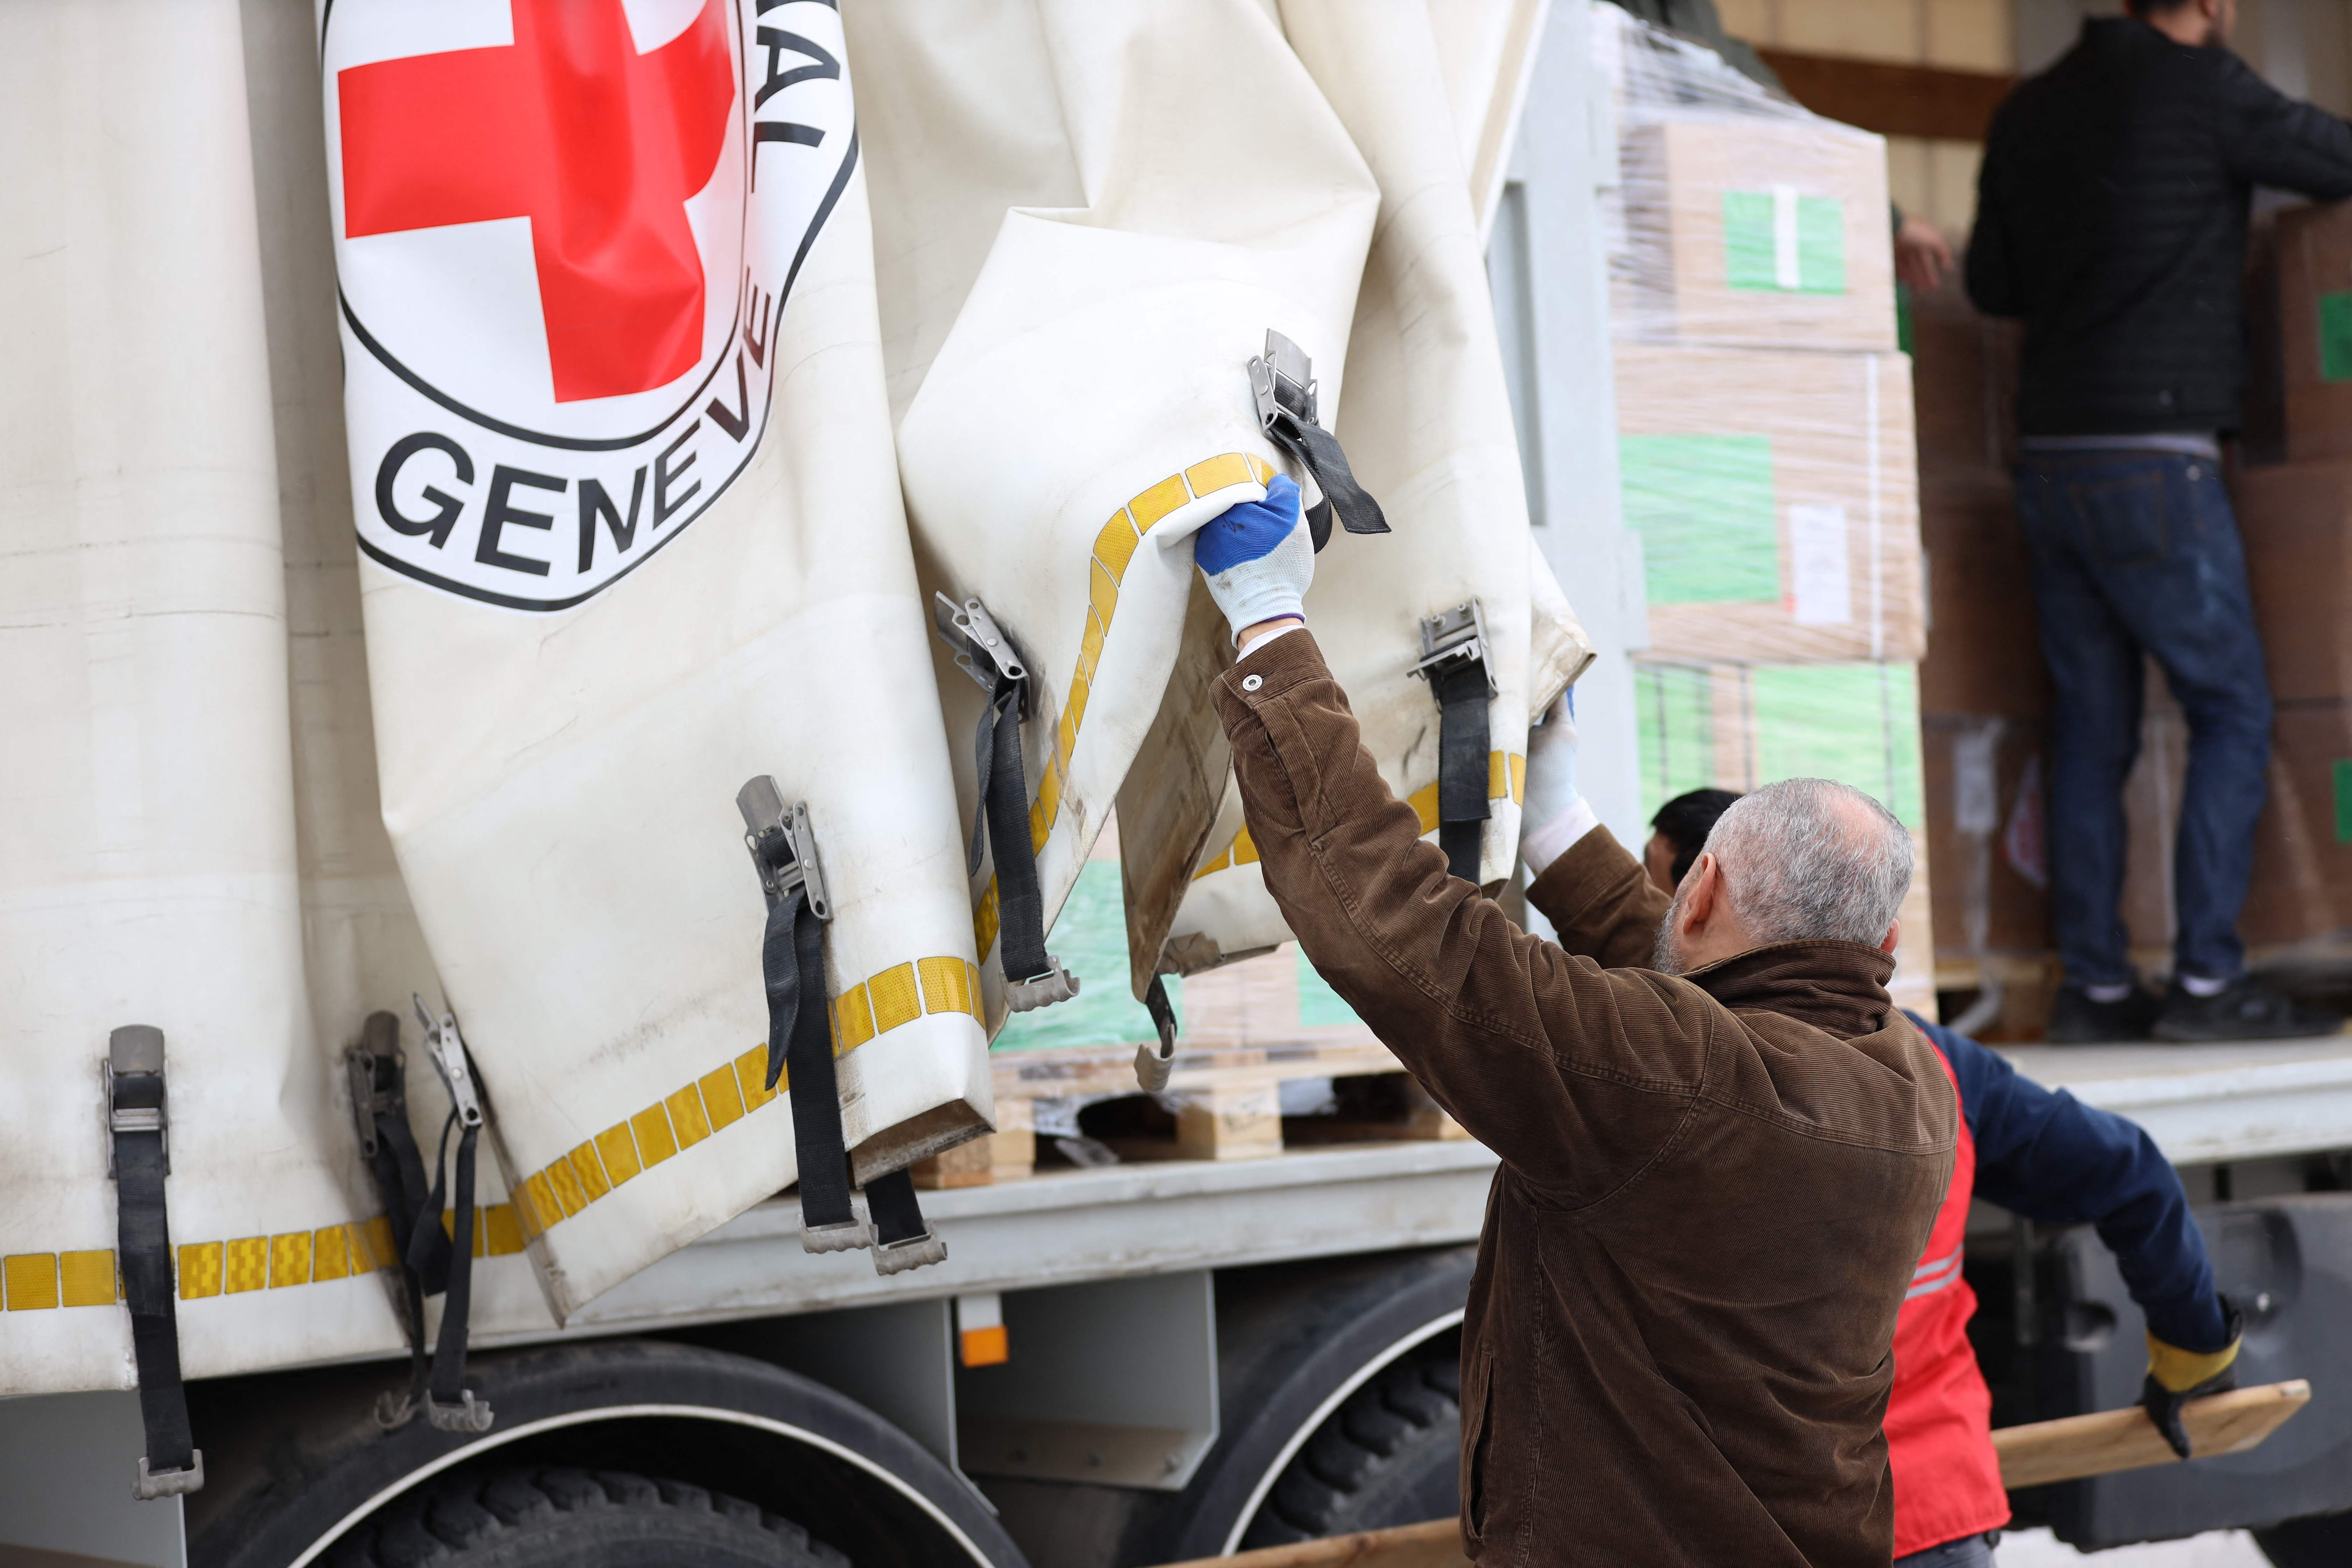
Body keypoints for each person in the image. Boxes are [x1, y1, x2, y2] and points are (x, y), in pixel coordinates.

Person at [1192, 476, 1959, 1565]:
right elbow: (1720, 1000)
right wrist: (1558, 823)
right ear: (1880, 950)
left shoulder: (1688, 1087)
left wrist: (1271, 627)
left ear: (1698, 895)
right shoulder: (1910, 1080)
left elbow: (1411, 942)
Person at [1640, 791, 2246, 1567]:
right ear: (1880, 935)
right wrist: (2193, 1355)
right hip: (1935, 1511)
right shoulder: (1936, 1068)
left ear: (1702, 900)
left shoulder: (1669, 1085)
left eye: (1662, 888)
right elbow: (2129, 1169)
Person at [1967, 0, 2352, 1042]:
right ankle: (2208, 982)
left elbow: (1990, 282)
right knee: (2231, 711)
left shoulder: (2031, 107)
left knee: (2093, 728)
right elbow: (2337, 158)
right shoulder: (2207, 88)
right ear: (2214, 3)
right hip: (2161, 461)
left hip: (2050, 467)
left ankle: (2095, 988)